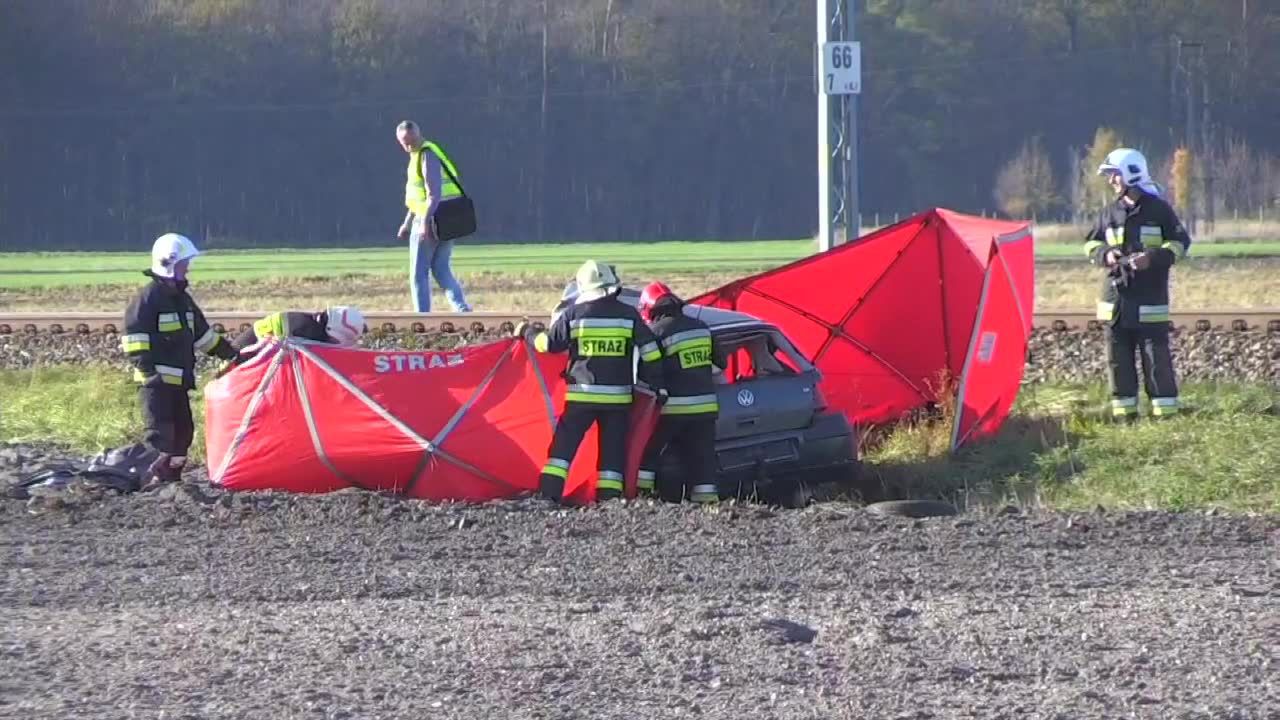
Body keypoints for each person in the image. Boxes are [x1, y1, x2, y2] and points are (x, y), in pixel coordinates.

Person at [516, 260, 666, 503]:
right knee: (612, 454)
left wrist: (527, 332)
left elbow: (548, 345)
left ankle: (549, 496)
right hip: (618, 400)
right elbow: (652, 352)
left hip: (581, 398)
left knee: (562, 452)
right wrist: (652, 383)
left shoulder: (573, 315)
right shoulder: (628, 315)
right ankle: (609, 501)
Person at [120, 233, 238, 488]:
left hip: (179, 383)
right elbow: (134, 340)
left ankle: (171, 480)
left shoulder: (183, 301)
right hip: (155, 385)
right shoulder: (147, 300)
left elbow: (204, 336)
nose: (188, 269)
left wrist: (232, 355)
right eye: (185, 264)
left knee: (184, 433)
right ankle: (147, 482)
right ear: (169, 263)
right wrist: (149, 372)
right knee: (160, 436)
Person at [1083, 147, 1192, 421]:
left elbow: (1180, 244)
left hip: (1149, 301)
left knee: (1156, 361)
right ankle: (1125, 418)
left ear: (1132, 174)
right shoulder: (1109, 213)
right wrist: (1105, 254)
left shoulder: (1159, 210)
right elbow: (1091, 243)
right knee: (1118, 363)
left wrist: (1153, 258)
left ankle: (1165, 416)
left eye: (1115, 175)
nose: (1112, 181)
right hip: (1116, 303)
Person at [635, 282, 721, 504]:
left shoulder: (656, 333)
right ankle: (707, 502)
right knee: (703, 458)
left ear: (648, 308)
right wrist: (698, 373)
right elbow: (720, 364)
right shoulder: (702, 327)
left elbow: (648, 370)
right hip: (706, 407)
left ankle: (643, 498)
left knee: (649, 452)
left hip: (673, 407)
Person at [394, 120, 471, 313]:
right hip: (446, 218)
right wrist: (406, 223)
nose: (409, 146)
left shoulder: (426, 156)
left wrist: (424, 224)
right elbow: (417, 197)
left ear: (419, 135)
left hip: (431, 220)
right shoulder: (421, 154)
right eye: (405, 143)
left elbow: (433, 194)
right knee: (441, 269)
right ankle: (462, 311)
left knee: (418, 273)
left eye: (411, 141)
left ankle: (422, 317)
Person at [227, 307, 367, 365]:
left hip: (249, 352)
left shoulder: (312, 324)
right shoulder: (307, 334)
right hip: (243, 358)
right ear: (332, 331)